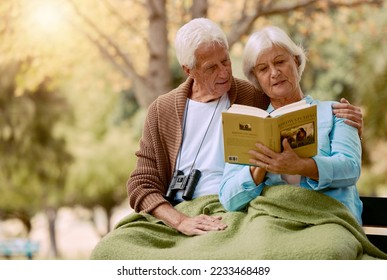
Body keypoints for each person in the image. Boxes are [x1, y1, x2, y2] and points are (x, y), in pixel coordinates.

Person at [90, 19, 366, 260]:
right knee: (109, 252)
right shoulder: (165, 110)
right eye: (211, 67)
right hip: (183, 211)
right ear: (189, 70)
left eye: (226, 62)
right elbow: (142, 184)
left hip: (246, 213)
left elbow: (295, 103)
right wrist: (180, 221)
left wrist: (348, 125)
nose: (224, 73)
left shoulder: (257, 99)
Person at [219, 25, 363, 227]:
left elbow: (351, 169)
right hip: (273, 221)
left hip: (329, 219)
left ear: (295, 61)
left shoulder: (335, 112)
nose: (274, 72)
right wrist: (258, 169)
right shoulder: (254, 124)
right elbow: (228, 198)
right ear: (257, 79)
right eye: (263, 69)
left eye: (280, 62)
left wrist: (301, 166)